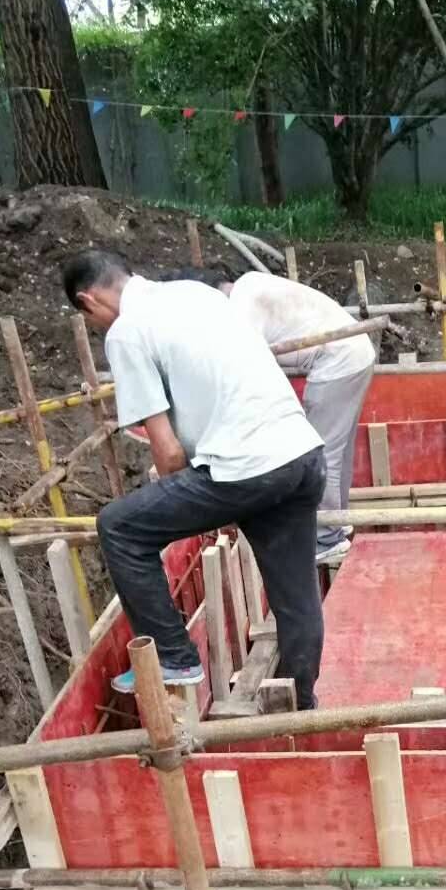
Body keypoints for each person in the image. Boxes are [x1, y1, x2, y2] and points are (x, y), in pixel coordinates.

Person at [62, 249, 327, 708]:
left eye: (91, 321)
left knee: (120, 526)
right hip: (301, 456)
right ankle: (302, 706)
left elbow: (167, 452)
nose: (99, 327)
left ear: (88, 302)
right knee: (296, 598)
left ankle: (172, 656)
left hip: (245, 468)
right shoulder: (195, 295)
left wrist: (188, 504)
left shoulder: (126, 331)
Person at [163, 265, 374, 566]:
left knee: (324, 450)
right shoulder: (250, 284)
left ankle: (326, 538)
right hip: (353, 352)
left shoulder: (239, 311)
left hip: (338, 360)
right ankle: (337, 523)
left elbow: (239, 373)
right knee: (338, 447)